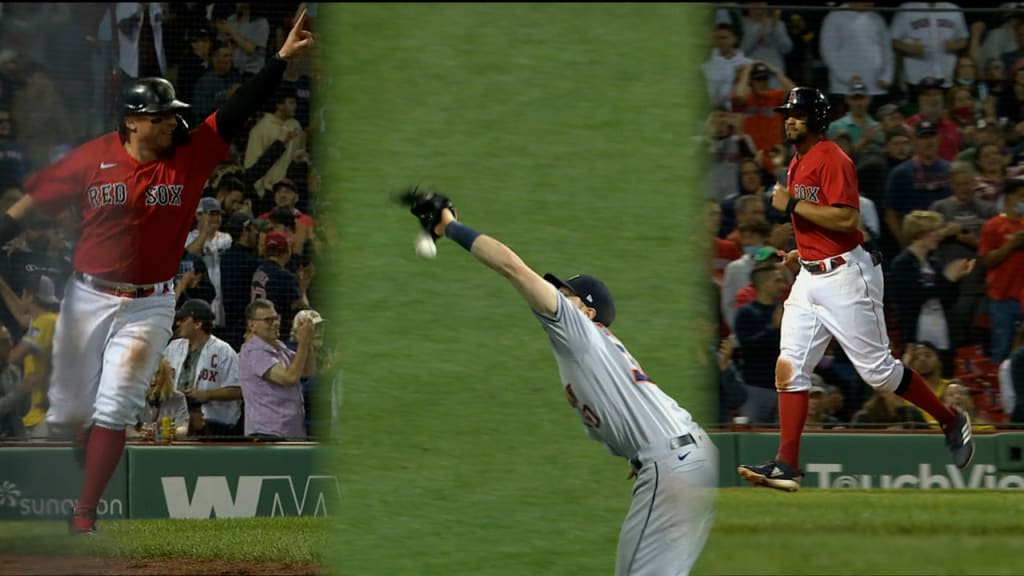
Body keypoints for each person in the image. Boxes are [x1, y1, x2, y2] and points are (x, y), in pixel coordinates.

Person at [0, 12, 314, 534]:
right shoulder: (91, 158)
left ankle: (85, 514)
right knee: (73, 409)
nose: (174, 121)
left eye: (174, 114)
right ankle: (90, 445)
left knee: (117, 403)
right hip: (89, 295)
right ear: (134, 121)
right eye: (164, 115)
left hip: (151, 301)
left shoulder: (188, 156)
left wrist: (279, 61)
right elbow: (31, 205)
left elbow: (236, 110)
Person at [402, 190, 717, 576]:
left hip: (672, 465)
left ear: (587, 310)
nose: (555, 295)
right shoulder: (599, 346)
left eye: (564, 293)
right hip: (689, 458)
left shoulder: (578, 329)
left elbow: (512, 267)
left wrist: (449, 226)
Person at [736, 87, 975, 493]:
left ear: (817, 118)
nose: (788, 119)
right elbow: (820, 222)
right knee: (789, 368)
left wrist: (791, 206)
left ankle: (950, 419)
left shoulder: (833, 158)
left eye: (796, 113)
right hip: (812, 275)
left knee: (879, 373)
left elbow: (847, 220)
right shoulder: (797, 162)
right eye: (787, 114)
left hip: (848, 276)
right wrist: (803, 251)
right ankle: (786, 465)